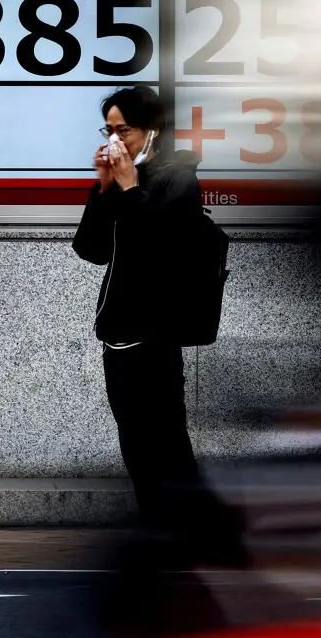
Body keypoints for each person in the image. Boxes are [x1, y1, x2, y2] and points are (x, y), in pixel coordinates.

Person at [71, 85, 247, 570]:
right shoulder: (127, 178)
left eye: (123, 130)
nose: (116, 141)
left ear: (152, 130)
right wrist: (104, 186)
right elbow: (90, 249)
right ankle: (164, 529)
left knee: (166, 439)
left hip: (157, 334)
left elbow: (157, 248)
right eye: (109, 130)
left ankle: (197, 533)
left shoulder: (178, 181)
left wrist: (128, 188)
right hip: (118, 334)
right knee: (135, 438)